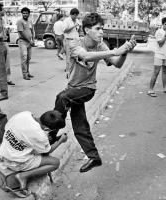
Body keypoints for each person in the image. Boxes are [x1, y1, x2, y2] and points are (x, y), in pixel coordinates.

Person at [54, 13, 136, 173]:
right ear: (86, 30)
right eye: (98, 29)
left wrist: (124, 52)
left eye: (102, 29)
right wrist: (115, 51)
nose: (101, 32)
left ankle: (51, 132)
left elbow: (118, 64)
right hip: (73, 88)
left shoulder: (101, 45)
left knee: (62, 97)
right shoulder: (74, 43)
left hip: (87, 89)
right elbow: (85, 55)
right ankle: (94, 157)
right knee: (80, 126)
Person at [0, 110, 67, 197]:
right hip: (16, 163)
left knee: (33, 147)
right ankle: (23, 176)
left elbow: (7, 128)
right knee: (55, 163)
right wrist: (61, 140)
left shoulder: (24, 114)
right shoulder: (40, 136)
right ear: (47, 129)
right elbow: (48, 150)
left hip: (3, 153)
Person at [148, 17, 166, 97]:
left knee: (165, 71)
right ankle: (150, 90)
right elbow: (160, 43)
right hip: (159, 55)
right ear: (162, 24)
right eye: (165, 24)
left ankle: (165, 88)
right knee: (156, 72)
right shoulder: (159, 32)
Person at [0, 3, 15, 86]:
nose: (4, 11)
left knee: (7, 62)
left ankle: (7, 79)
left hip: (4, 42)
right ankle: (1, 83)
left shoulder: (1, 19)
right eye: (3, 9)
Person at [16, 7, 35, 80]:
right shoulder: (20, 22)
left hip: (29, 42)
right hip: (23, 41)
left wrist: (33, 39)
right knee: (24, 57)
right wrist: (29, 40)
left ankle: (27, 72)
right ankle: (24, 74)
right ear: (22, 14)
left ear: (29, 14)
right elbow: (22, 32)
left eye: (26, 13)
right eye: (23, 13)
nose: (25, 14)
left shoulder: (30, 21)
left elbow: (32, 31)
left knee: (28, 58)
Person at [63, 8, 81, 75]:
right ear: (72, 14)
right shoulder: (66, 21)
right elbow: (65, 30)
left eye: (77, 16)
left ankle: (74, 71)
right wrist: (74, 25)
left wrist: (79, 27)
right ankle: (68, 72)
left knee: (77, 56)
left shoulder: (77, 20)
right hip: (69, 40)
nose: (76, 17)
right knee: (69, 57)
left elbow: (77, 30)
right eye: (75, 15)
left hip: (76, 40)